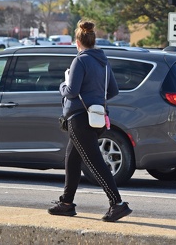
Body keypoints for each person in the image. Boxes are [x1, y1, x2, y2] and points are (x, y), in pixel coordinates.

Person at [48, 20, 132, 222]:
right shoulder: (103, 62)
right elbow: (113, 90)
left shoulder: (80, 60)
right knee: (72, 160)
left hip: (79, 119)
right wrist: (95, 99)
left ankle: (117, 204)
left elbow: (72, 91)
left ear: (78, 41)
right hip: (97, 118)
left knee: (95, 162)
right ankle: (66, 203)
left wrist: (62, 86)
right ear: (92, 40)